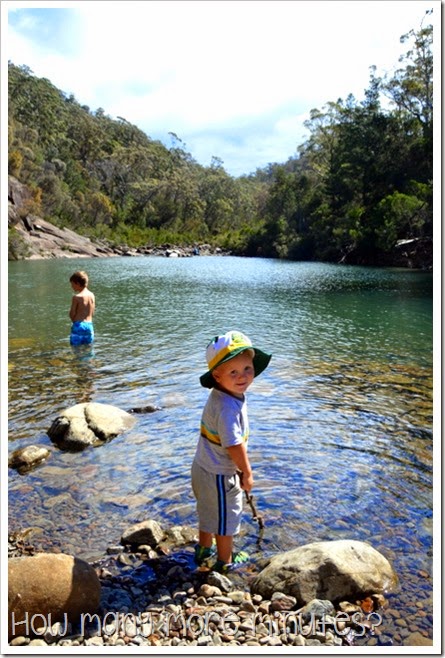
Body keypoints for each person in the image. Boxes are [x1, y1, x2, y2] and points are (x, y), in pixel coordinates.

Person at [192, 330, 271, 573]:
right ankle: (225, 562)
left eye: (247, 368)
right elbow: (233, 444)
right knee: (226, 519)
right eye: (233, 372)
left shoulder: (223, 395)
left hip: (202, 467)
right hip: (219, 474)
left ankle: (204, 549)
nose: (243, 377)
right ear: (217, 376)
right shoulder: (228, 408)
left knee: (207, 510)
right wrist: (246, 472)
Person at [69, 271, 95, 346]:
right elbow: (92, 312)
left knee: (76, 349)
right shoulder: (92, 295)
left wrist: (75, 323)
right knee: (88, 349)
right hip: (89, 326)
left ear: (78, 283)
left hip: (78, 325)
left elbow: (72, 314)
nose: (72, 286)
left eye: (72, 284)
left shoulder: (77, 297)